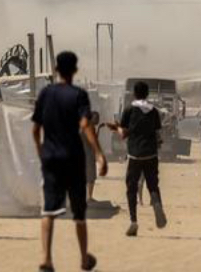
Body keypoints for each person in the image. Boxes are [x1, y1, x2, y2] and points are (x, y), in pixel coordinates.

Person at [33, 51, 107, 272]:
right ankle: (84, 258)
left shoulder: (45, 94)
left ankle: (46, 258)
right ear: (75, 70)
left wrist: (42, 154)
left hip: (51, 158)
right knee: (79, 214)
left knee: (49, 211)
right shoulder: (79, 95)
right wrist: (99, 154)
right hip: (73, 159)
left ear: (56, 69)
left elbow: (35, 130)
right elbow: (85, 125)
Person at [109, 80, 168, 236]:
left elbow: (123, 135)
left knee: (131, 187)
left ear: (134, 94)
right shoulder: (154, 111)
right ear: (147, 94)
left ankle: (134, 221)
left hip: (135, 154)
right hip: (151, 154)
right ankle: (156, 203)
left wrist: (116, 128)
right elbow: (158, 135)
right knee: (153, 184)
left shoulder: (129, 110)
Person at [84, 111, 103, 201]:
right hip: (88, 155)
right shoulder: (90, 127)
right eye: (96, 118)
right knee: (91, 176)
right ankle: (89, 197)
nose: (97, 119)